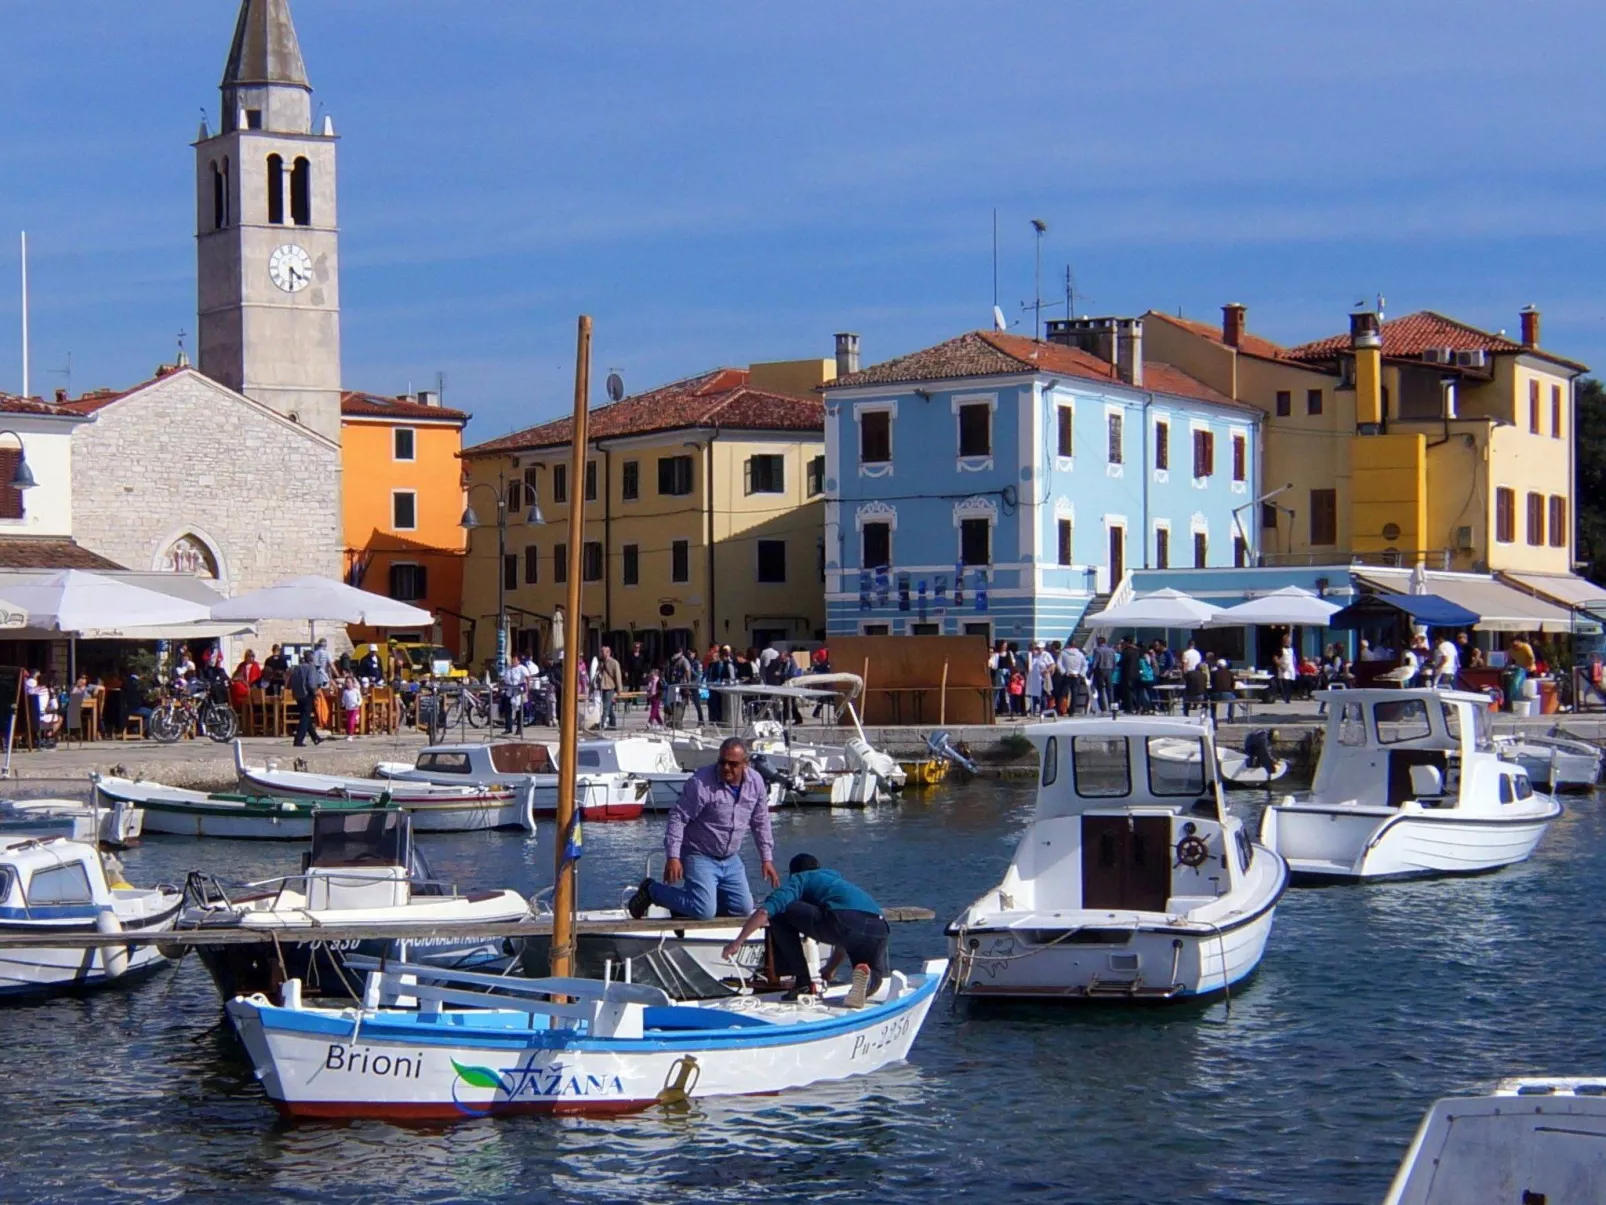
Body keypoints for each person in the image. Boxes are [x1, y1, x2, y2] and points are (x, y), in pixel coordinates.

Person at [627, 737, 779, 921]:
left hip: (731, 858)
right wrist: (673, 857)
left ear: (745, 764)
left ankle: (686, 906)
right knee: (704, 911)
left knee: (743, 909)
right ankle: (652, 890)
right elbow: (678, 817)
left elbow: (760, 821)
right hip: (699, 853)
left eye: (733, 764)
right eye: (722, 762)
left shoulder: (756, 783)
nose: (726, 768)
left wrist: (766, 858)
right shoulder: (700, 783)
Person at [721, 853, 890, 1006]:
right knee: (874, 971)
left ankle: (802, 983)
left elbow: (765, 911)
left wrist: (737, 942)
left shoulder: (800, 879)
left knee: (780, 911)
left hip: (843, 920)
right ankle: (866, 984)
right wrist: (830, 968)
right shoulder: (837, 882)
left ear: (794, 873)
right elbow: (846, 937)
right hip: (879, 925)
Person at [288, 655, 323, 746]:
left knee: (306, 717)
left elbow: (291, 681)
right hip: (307, 694)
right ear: (311, 660)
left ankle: (315, 737)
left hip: (298, 695)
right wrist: (314, 692)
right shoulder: (310, 668)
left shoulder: (297, 668)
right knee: (305, 717)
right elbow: (311, 683)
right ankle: (298, 740)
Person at [594, 645, 623, 730]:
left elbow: (618, 676)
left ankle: (601, 724)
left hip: (609, 686)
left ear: (608, 652)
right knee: (609, 706)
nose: (601, 653)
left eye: (603, 652)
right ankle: (613, 723)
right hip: (602, 687)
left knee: (606, 707)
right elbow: (597, 674)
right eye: (601, 651)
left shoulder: (614, 663)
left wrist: (619, 689)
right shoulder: (601, 663)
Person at [1090, 637, 1117, 713]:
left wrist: (1091, 671)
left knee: (1100, 689)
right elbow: (1114, 662)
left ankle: (1103, 708)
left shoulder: (1097, 650)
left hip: (1100, 670)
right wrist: (1113, 670)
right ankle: (1112, 707)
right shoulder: (1111, 650)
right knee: (1110, 690)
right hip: (1109, 670)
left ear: (1099, 642)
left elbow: (1095, 662)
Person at [1210, 657, 1239, 724]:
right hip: (1227, 694)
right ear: (1225, 665)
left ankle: (1214, 719)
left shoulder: (1213, 673)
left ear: (1217, 666)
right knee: (1232, 700)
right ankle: (1230, 718)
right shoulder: (1230, 673)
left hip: (1216, 694)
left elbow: (1212, 683)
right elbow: (1233, 684)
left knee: (1213, 702)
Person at [1274, 636, 1296, 705]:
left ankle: (1288, 697)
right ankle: (1286, 698)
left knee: (1291, 684)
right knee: (1285, 684)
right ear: (1284, 641)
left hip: (1291, 669)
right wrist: (1280, 666)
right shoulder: (1280, 649)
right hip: (1283, 669)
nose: (1289, 642)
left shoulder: (1292, 649)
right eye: (1288, 640)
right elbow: (1275, 659)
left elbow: (1293, 658)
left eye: (1290, 640)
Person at [340, 673, 362, 740]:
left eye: (349, 682)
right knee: (349, 721)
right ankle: (349, 732)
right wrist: (343, 703)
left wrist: (358, 704)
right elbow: (343, 699)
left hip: (354, 708)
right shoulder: (345, 691)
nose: (348, 683)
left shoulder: (356, 690)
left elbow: (360, 699)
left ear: (352, 683)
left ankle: (350, 735)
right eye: (346, 682)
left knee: (351, 721)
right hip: (348, 708)